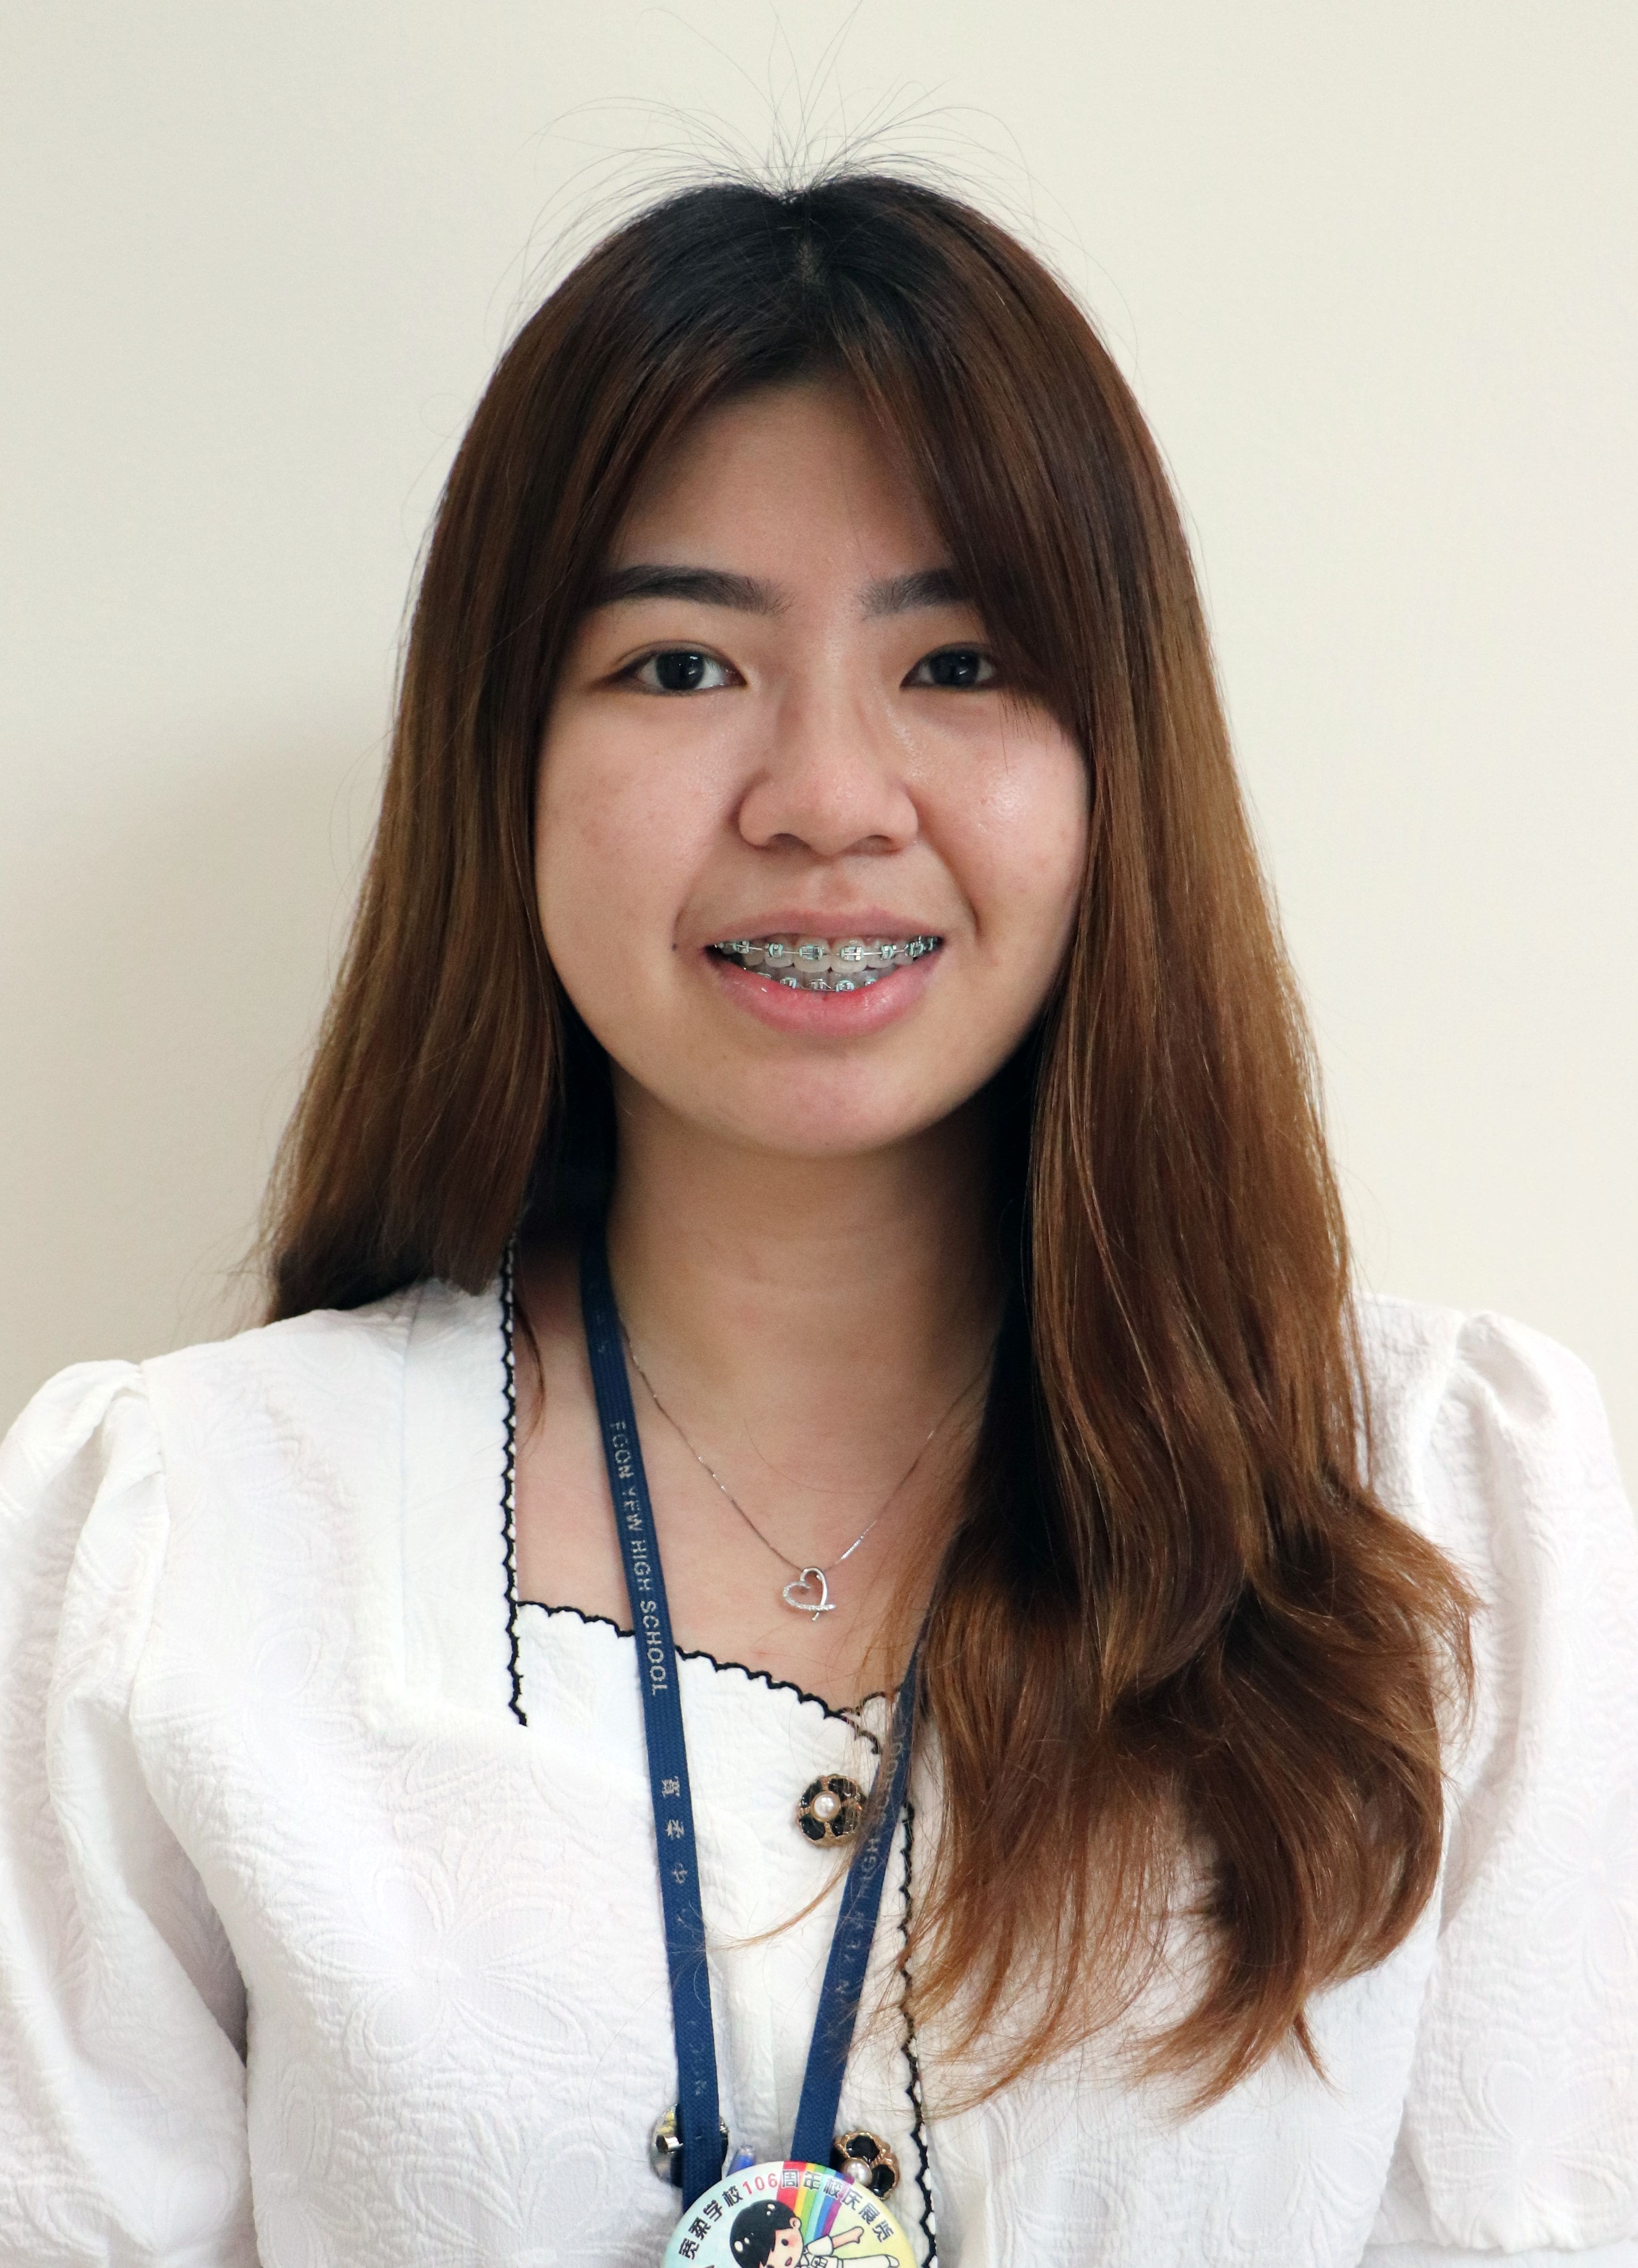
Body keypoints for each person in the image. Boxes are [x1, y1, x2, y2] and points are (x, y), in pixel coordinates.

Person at [0, 172, 1633, 2268]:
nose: (828, 799)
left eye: (959, 660)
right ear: (502, 755)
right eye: (682, 664)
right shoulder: (177, 1543)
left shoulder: (1445, 1516)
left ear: (1118, 764)